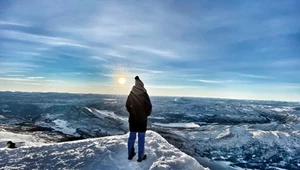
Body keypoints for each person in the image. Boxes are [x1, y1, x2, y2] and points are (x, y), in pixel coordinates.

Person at [126, 76, 152, 162]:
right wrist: (145, 114)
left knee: (132, 137)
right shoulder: (144, 94)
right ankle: (140, 157)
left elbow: (127, 105)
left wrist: (132, 112)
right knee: (141, 138)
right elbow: (149, 106)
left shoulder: (131, 93)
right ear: (142, 85)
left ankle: (130, 155)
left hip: (133, 119)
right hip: (142, 120)